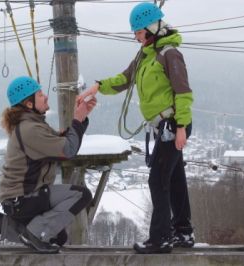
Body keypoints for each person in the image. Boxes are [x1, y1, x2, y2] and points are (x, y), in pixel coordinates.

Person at [78, 3, 194, 254]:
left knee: (158, 180)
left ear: (152, 28)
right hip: (163, 126)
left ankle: (161, 238)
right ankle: (183, 232)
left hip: (173, 124)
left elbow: (183, 93)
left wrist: (182, 126)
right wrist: (98, 86)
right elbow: (125, 78)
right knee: (174, 178)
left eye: (139, 32)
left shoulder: (169, 54)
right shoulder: (146, 55)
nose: (136, 37)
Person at [0, 76, 96, 253]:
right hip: (22, 199)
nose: (45, 96)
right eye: (40, 94)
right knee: (81, 195)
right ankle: (34, 234)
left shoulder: (32, 125)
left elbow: (60, 144)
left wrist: (80, 119)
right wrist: (77, 119)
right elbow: (67, 150)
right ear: (29, 104)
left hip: (19, 199)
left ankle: (2, 224)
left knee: (58, 238)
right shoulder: (30, 129)